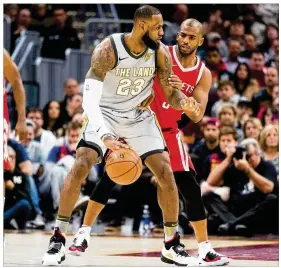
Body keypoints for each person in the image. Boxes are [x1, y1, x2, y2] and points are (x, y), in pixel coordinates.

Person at [42, 6, 202, 266]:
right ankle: (59, 237)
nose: (163, 32)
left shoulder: (159, 53)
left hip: (137, 116)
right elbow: (90, 101)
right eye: (158, 27)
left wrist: (185, 102)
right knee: (81, 163)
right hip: (103, 112)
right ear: (141, 26)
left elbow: (170, 94)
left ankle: (171, 243)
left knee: (165, 171)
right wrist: (104, 136)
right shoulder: (109, 49)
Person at [67, 18, 230, 266]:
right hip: (139, 123)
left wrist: (182, 97)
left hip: (168, 129)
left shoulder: (203, 73)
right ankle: (84, 232)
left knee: (189, 187)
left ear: (200, 41)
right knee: (112, 175)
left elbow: (197, 115)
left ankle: (203, 248)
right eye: (182, 35)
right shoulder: (159, 53)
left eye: (191, 37)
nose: (185, 40)